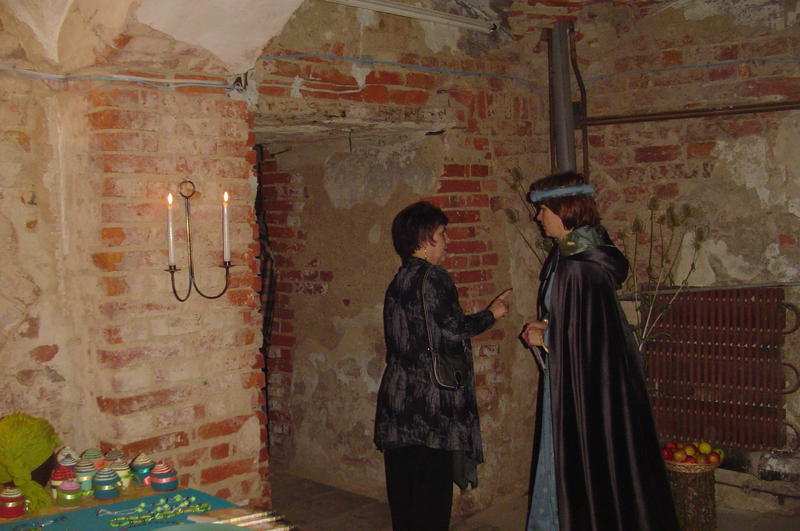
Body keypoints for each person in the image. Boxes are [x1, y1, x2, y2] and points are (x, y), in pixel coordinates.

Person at [521, 172, 679, 531]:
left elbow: (587, 337)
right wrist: (547, 324)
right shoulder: (572, 253)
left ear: (564, 209)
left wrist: (546, 339)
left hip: (587, 384)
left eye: (543, 209)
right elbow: (580, 320)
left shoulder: (579, 265)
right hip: (588, 377)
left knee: (584, 457)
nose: (538, 217)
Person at [374, 200, 512, 531]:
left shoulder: (400, 279)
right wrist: (492, 314)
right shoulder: (433, 277)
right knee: (431, 494)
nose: (447, 241)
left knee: (404, 491)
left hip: (398, 397)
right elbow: (453, 328)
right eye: (442, 233)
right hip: (430, 403)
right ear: (425, 238)